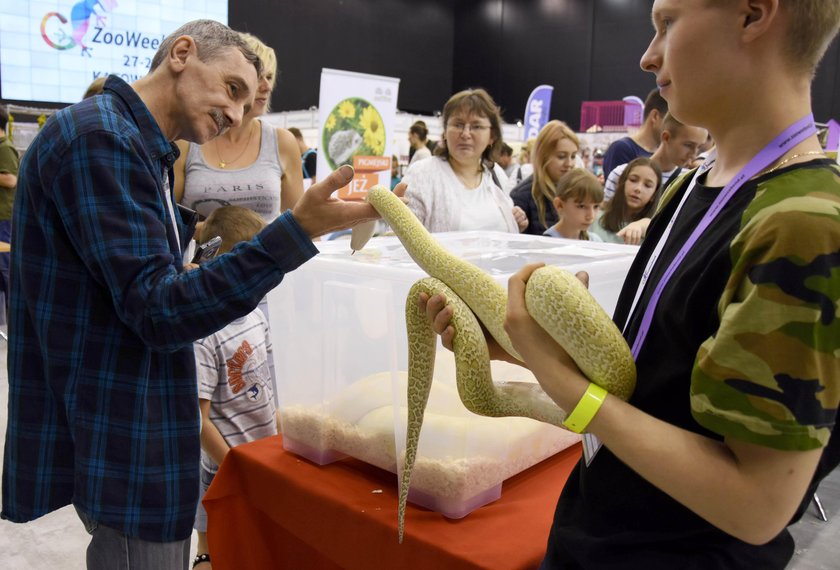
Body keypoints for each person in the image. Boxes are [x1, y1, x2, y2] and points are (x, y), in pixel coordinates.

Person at [420, 1, 840, 568]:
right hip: (598, 531)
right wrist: (524, 350)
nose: (647, 57)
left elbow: (755, 506)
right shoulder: (691, 185)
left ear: (753, 15)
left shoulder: (803, 222)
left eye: (667, 23)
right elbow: (651, 391)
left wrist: (563, 383)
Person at [1, 19, 379, 570]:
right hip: (127, 428)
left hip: (139, 415)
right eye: (232, 90)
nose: (236, 115)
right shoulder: (101, 139)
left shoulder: (135, 145)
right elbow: (158, 307)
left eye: (250, 106)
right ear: (182, 53)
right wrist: (294, 233)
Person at [190, 206, 279, 570]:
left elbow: (271, 387)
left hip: (262, 458)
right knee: (218, 545)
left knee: (253, 543)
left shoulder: (256, 316)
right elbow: (199, 421)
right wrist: (234, 467)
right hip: (224, 468)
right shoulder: (204, 334)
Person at [174, 32, 303, 225]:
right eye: (258, 77)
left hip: (267, 255)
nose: (266, 86)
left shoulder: (282, 142)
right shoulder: (187, 141)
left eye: (270, 76)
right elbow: (167, 221)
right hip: (202, 254)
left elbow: (299, 223)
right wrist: (222, 233)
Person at [402, 88, 527, 233]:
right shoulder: (422, 174)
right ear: (445, 131)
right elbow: (402, 239)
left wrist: (515, 222)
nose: (466, 134)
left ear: (491, 136)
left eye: (476, 126)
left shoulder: (496, 175)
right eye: (458, 124)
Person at [603, 112, 707, 202]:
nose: (693, 154)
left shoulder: (690, 182)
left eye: (699, 148)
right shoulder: (621, 174)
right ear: (666, 137)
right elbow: (604, 220)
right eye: (688, 145)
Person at [510, 120, 580, 235]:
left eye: (573, 156)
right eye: (561, 156)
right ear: (543, 156)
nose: (569, 163)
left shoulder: (576, 191)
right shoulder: (521, 196)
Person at [590, 156, 662, 244]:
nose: (638, 189)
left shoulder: (656, 231)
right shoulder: (594, 217)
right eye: (633, 180)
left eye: (647, 185)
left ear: (654, 195)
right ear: (621, 182)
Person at [601, 87, 668, 177]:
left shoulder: (667, 156)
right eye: (670, 121)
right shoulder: (621, 149)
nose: (674, 128)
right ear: (655, 116)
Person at [543, 168, 604, 241]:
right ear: (560, 205)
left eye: (596, 206)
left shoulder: (595, 241)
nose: (591, 216)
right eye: (581, 206)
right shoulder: (547, 242)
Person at [0, 103, 19, 315]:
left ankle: (12, 315)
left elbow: (11, 179)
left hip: (4, 217)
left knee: (5, 270)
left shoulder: (5, 147)